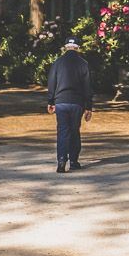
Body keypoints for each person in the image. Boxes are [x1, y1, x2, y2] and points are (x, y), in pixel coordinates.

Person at [47, 37, 93, 173]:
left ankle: (61, 159)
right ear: (78, 47)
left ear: (65, 47)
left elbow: (51, 83)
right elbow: (88, 86)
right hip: (77, 102)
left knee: (62, 132)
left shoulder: (57, 63)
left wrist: (50, 101)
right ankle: (73, 160)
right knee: (74, 131)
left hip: (61, 101)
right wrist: (89, 106)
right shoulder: (83, 64)